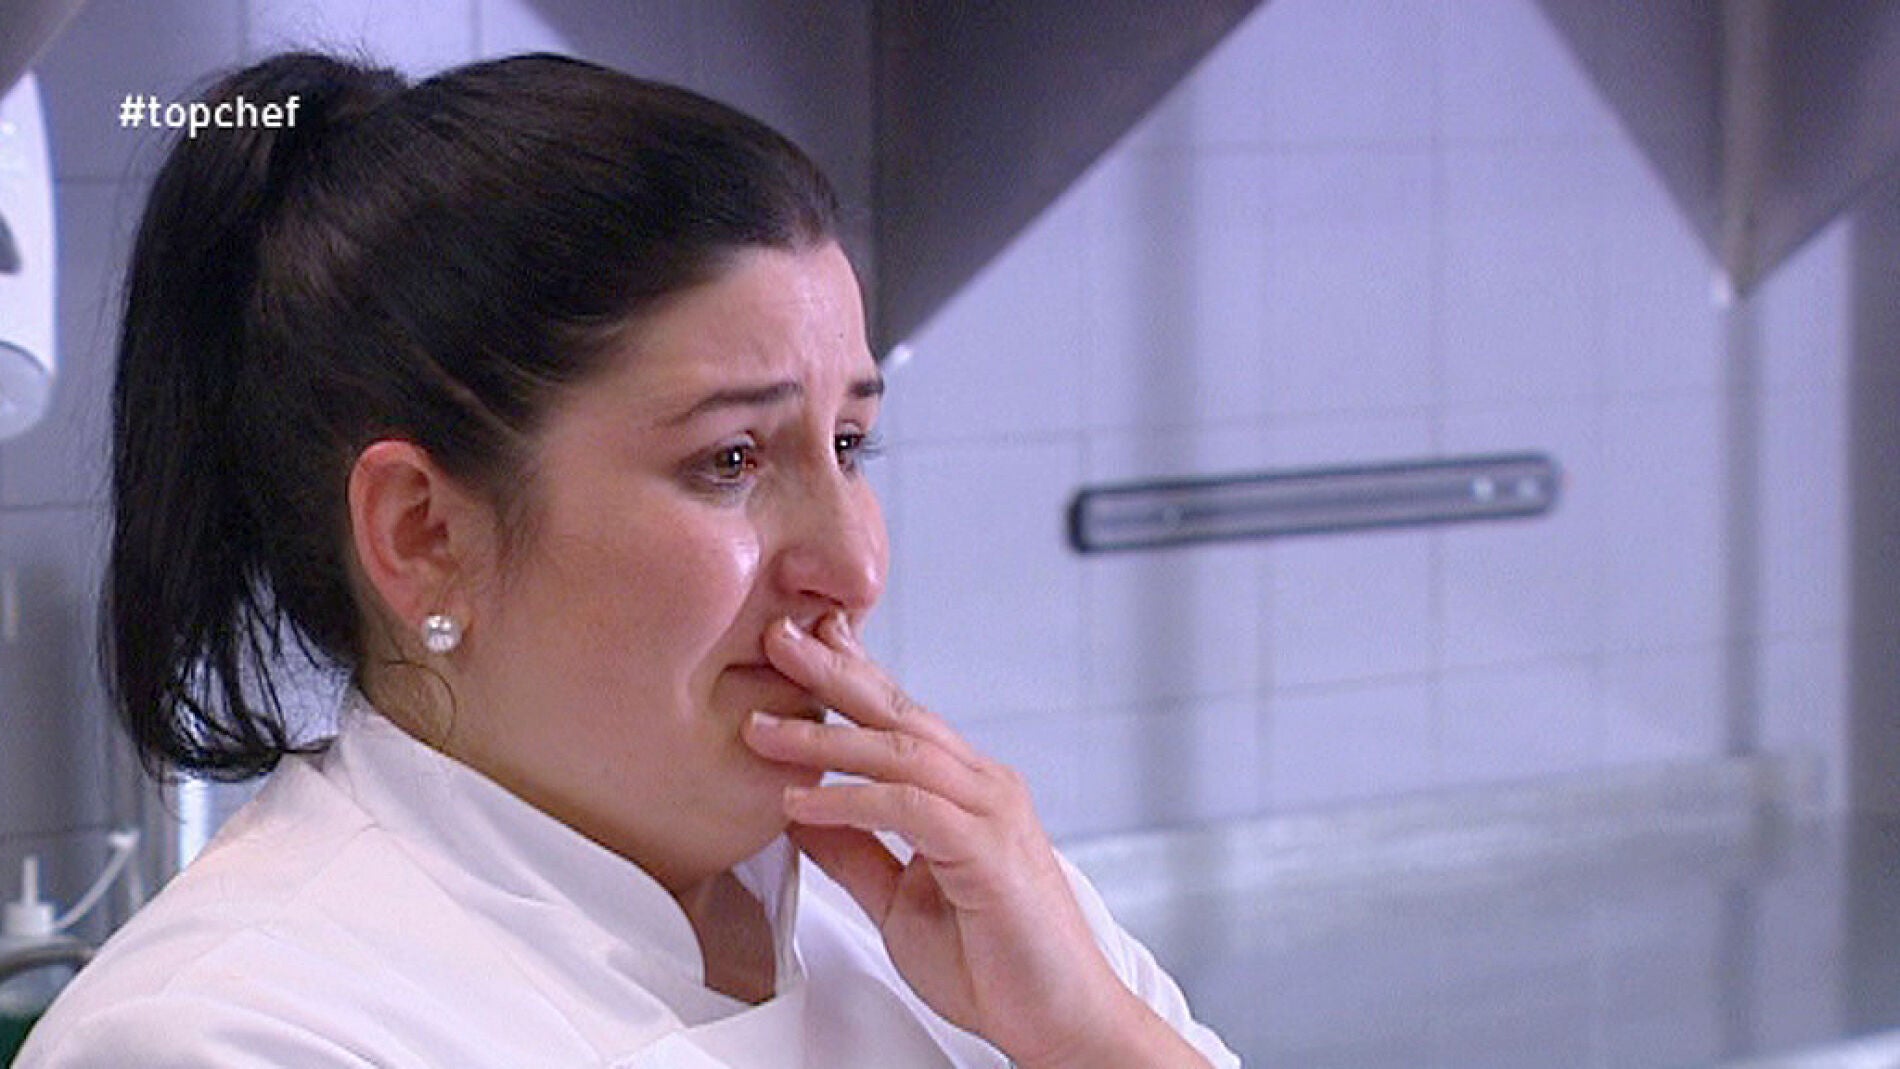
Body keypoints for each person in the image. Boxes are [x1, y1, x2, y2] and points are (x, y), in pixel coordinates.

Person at [18, 51, 1239, 1068]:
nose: (854, 566)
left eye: (850, 443)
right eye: (731, 460)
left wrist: (1097, 1037)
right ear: (422, 535)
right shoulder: (227, 1034)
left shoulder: (968, 909)